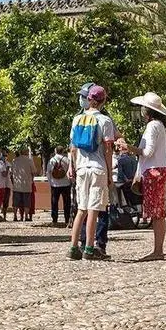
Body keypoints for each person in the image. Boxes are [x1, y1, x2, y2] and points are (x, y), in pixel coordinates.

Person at [67, 85, 115, 261]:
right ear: (103, 101)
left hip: (81, 168)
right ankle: (89, 248)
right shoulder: (105, 121)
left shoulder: (77, 119)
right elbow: (108, 150)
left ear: (88, 99)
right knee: (94, 209)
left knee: (81, 209)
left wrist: (72, 166)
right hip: (98, 168)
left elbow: (73, 148)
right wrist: (110, 174)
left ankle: (73, 248)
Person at [120, 92, 166, 261]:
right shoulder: (162, 126)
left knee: (156, 213)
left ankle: (157, 250)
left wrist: (128, 147)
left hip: (153, 171)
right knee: (160, 212)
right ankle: (158, 248)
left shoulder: (152, 126)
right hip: (161, 170)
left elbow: (147, 152)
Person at [46, 145, 72, 226]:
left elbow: (48, 172)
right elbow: (70, 171)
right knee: (67, 202)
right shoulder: (67, 160)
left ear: (55, 151)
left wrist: (50, 182)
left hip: (55, 185)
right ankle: (67, 219)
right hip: (66, 184)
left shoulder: (52, 160)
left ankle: (54, 220)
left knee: (54, 202)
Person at [10, 148, 35, 222]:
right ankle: (26, 216)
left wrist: (13, 181)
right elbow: (34, 171)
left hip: (17, 185)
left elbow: (11, 173)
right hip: (26, 184)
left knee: (16, 202)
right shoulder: (29, 160)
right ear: (26, 152)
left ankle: (15, 216)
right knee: (26, 202)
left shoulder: (14, 161)